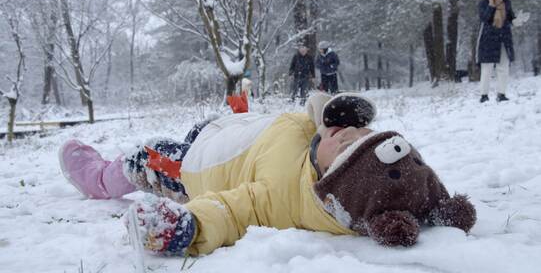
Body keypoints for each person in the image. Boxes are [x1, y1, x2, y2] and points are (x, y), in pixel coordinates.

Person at [58, 92, 476, 256]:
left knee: (141, 158)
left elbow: (232, 208)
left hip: (190, 166)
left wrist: (190, 225)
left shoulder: (284, 197)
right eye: (364, 132)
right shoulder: (319, 137)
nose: (351, 132)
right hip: (224, 130)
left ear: (333, 178)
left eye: (350, 145)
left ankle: (95, 175)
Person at [476, 0, 527, 103]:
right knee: (487, 68)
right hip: (488, 39)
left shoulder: (506, 3)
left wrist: (517, 21)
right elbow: (484, 18)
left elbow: (510, 18)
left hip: (504, 38)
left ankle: (501, 94)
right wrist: (491, 5)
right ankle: (484, 95)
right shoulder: (483, 3)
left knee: (503, 67)